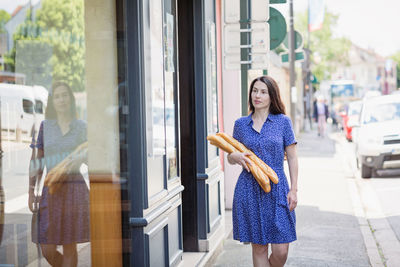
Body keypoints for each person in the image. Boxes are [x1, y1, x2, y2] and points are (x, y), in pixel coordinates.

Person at [228, 76, 298, 267]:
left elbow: (292, 157)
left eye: (263, 92)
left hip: (277, 187)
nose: (257, 95)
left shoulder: (283, 122)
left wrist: (294, 189)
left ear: (271, 96)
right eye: (254, 91)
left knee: (281, 249)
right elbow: (231, 153)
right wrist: (234, 157)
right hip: (249, 188)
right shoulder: (241, 124)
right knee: (259, 247)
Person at [28, 81, 89, 267]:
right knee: (47, 247)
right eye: (57, 96)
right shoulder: (45, 127)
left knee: (70, 246)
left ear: (70, 99)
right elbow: (37, 162)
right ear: (52, 102)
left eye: (65, 95)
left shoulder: (81, 126)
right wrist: (31, 191)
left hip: (74, 190)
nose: (61, 100)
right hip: (50, 190)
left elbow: (91, 161)